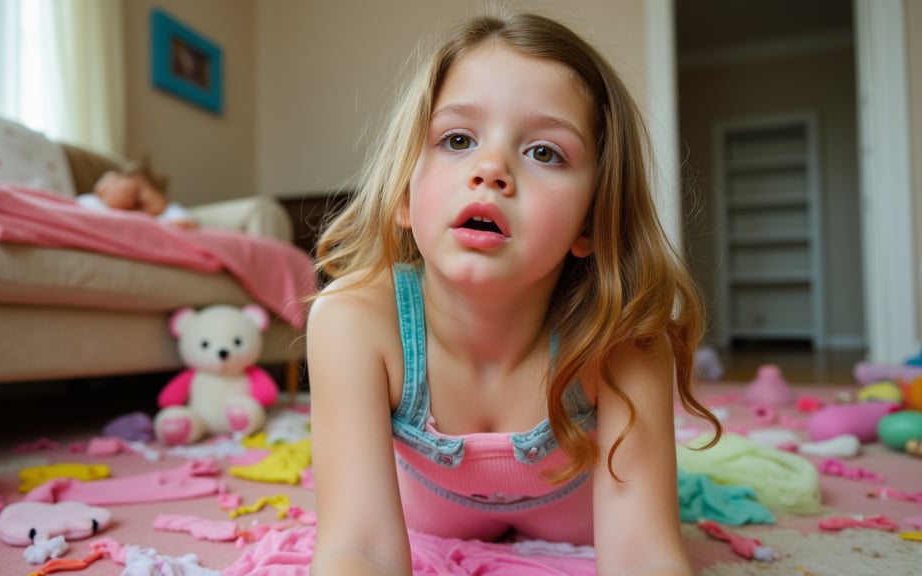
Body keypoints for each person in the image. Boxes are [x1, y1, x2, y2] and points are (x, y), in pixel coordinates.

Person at [306, 9, 721, 576]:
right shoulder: (351, 320)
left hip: (576, 518)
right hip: (428, 515)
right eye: (457, 139)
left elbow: (645, 555)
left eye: (545, 152)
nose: (491, 168)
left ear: (591, 222)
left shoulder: (623, 339)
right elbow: (358, 547)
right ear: (404, 193)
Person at [76, 158, 198, 229]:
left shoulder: (162, 215)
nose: (141, 215)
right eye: (138, 200)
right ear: (110, 180)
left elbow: (177, 217)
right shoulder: (88, 202)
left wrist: (181, 220)